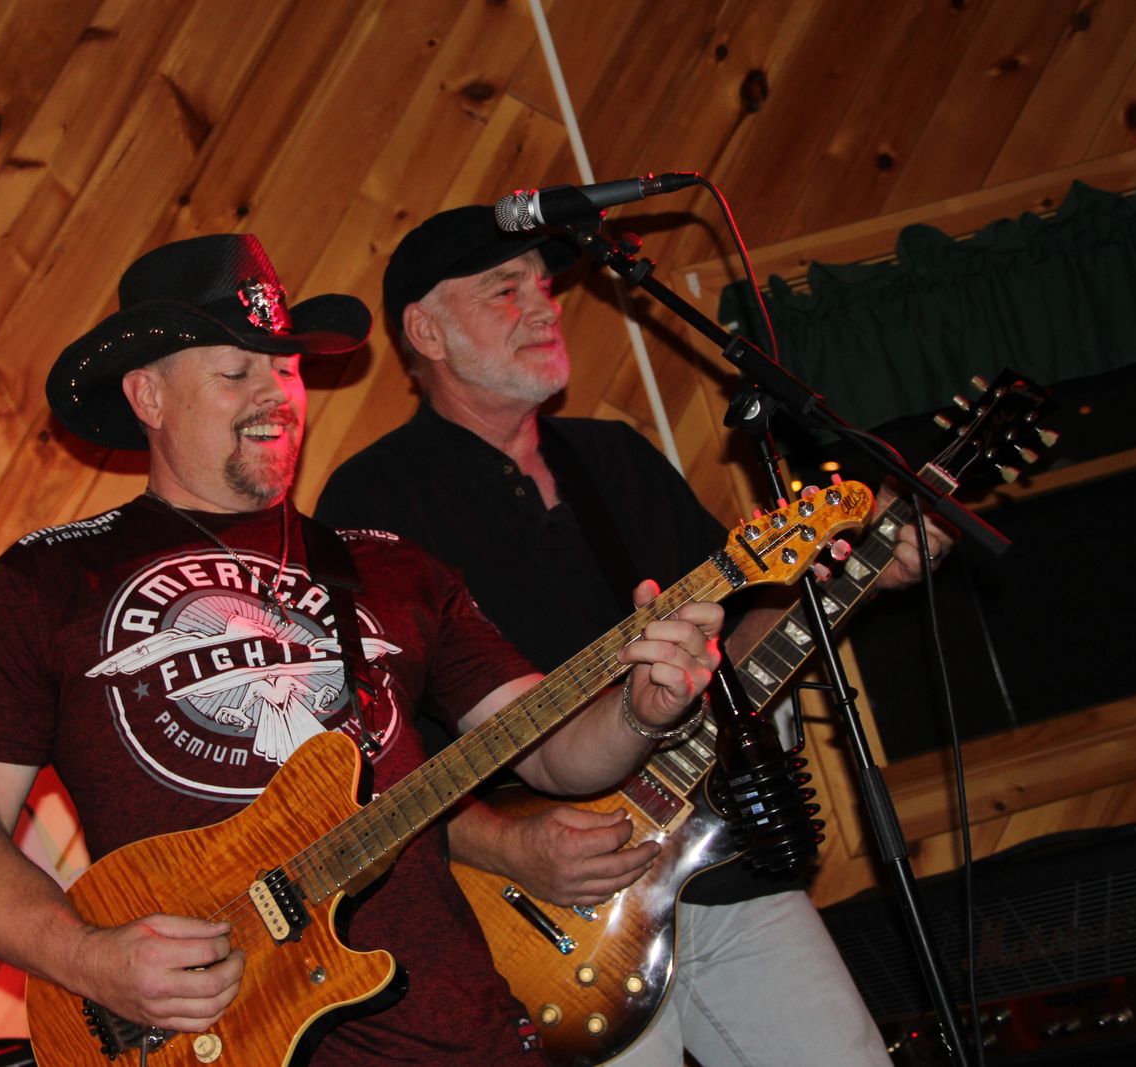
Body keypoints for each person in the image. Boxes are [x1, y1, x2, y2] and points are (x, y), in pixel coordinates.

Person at [0, 233, 726, 1066]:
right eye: (236, 372)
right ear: (148, 395)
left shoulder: (390, 565)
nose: (275, 393)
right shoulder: (51, 578)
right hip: (225, 1039)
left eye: (287, 369)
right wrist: (90, 959)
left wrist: (641, 708)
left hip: (463, 1035)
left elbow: (555, 752)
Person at [316, 206, 953, 1066]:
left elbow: (735, 649)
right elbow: (361, 759)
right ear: (426, 332)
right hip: (531, 910)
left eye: (543, 285)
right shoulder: (374, 501)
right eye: (504, 289)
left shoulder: (614, 456)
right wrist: (508, 845)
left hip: (715, 861)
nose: (543, 307)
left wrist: (857, 572)